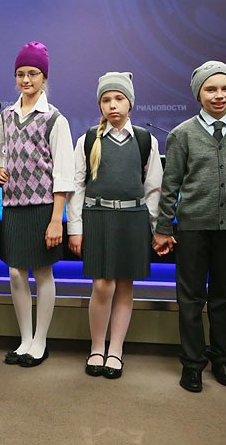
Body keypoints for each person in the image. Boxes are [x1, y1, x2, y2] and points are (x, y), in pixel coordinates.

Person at [153, 61, 226, 393]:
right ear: (198, 94)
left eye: (225, 88)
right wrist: (164, 228)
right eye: (210, 89)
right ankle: (192, 364)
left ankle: (221, 359)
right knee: (190, 298)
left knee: (222, 297)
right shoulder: (182, 133)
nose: (219, 95)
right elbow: (170, 186)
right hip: (191, 229)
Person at [67, 72, 162, 379]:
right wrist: (75, 228)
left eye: (119, 98)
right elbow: (77, 187)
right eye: (106, 100)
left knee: (124, 285)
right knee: (102, 284)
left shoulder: (145, 140)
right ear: (100, 104)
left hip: (133, 220)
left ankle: (116, 350)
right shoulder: (88, 140)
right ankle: (97, 347)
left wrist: (153, 228)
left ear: (130, 103)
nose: (113, 105)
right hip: (98, 218)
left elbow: (153, 188)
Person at [0, 41, 74, 367]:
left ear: (44, 77)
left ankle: (41, 341)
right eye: (21, 74)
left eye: (33, 73)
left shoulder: (55, 119)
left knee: (42, 273)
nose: (26, 80)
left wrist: (56, 220)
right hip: (13, 207)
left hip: (42, 208)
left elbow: (63, 174)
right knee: (15, 273)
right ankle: (25, 339)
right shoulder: (6, 116)